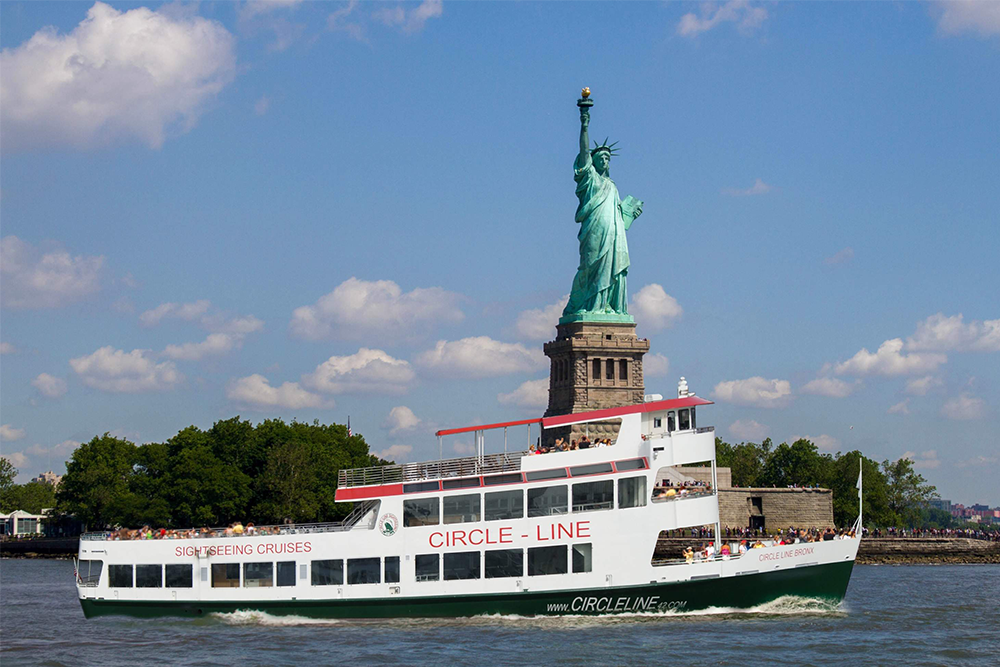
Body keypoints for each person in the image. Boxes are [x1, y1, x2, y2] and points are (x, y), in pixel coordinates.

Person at [562, 94, 642, 319]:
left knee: (614, 266)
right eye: (601, 158)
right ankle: (589, 305)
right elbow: (584, 151)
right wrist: (584, 123)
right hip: (594, 229)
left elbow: (619, 217)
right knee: (590, 266)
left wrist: (630, 215)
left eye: (608, 158)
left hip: (614, 234)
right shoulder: (589, 179)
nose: (605, 161)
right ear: (593, 161)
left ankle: (608, 306)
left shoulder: (612, 186)